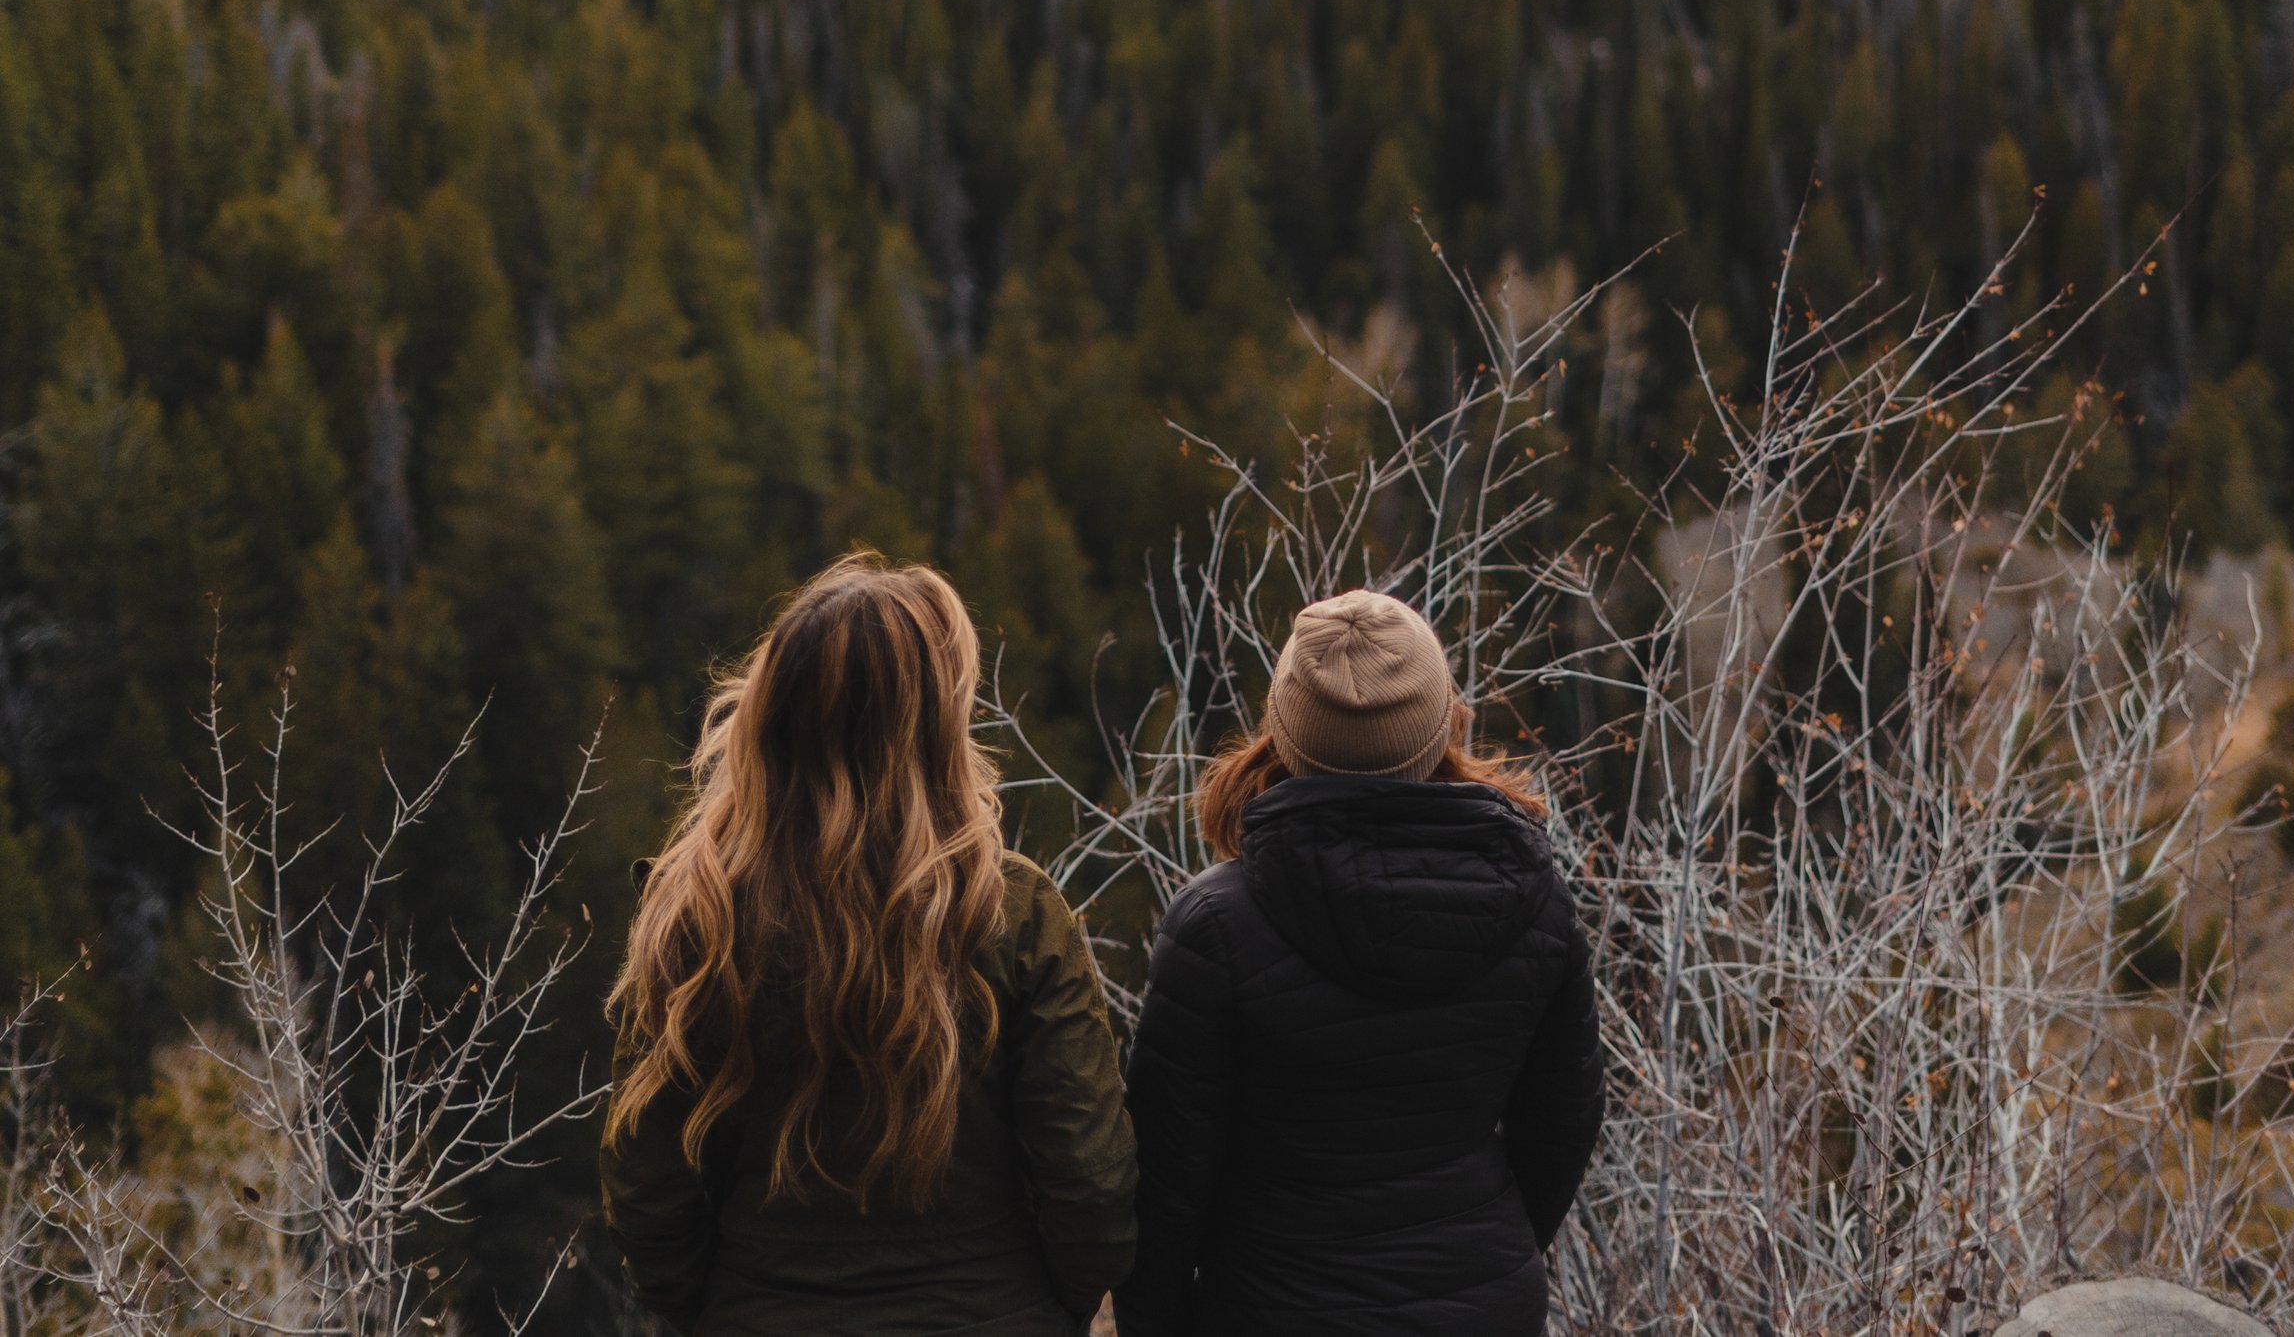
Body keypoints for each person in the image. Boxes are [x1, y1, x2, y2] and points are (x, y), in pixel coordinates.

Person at [602, 555, 1137, 1337]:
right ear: (933, 727)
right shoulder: (1013, 909)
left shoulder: (698, 917)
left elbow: (648, 1197)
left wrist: (726, 1308)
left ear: (770, 717)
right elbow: (1090, 1187)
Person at [1117, 589, 1602, 1337]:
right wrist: (1484, 1253)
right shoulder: (1533, 901)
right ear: (1443, 721)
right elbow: (1563, 1122)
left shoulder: (1215, 926)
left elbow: (1167, 1183)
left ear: (1282, 729)